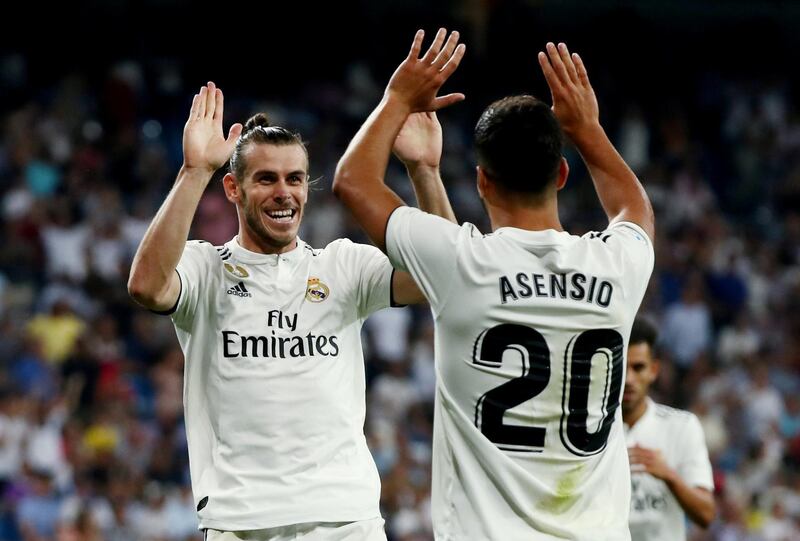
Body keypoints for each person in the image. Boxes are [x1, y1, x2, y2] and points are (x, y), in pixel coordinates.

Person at [333, 29, 655, 539]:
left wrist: (398, 99)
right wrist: (587, 128)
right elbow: (633, 209)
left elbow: (352, 180)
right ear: (563, 174)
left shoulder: (464, 264)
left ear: (481, 180)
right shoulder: (619, 265)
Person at [127, 82, 454, 539]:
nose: (284, 193)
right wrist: (194, 170)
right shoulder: (206, 269)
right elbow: (146, 286)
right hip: (241, 521)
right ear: (233, 189)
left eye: (294, 179)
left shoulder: (342, 265)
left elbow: (443, 273)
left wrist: (424, 171)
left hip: (346, 518)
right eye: (266, 179)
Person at [623, 316, 716, 540]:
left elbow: (706, 514)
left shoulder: (682, 426)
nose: (628, 379)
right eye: (621, 367)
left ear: (654, 370)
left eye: (638, 368)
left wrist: (668, 475)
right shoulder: (588, 431)